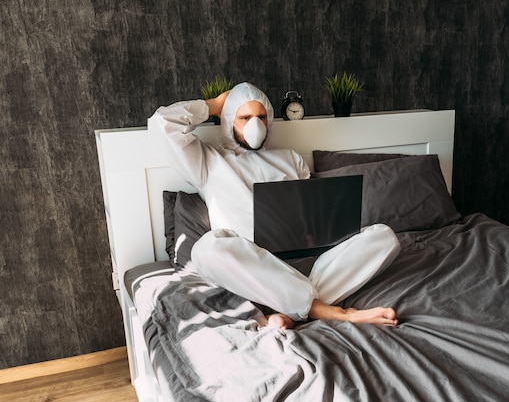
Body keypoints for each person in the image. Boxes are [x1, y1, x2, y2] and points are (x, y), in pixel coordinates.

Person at [148, 82, 401, 329]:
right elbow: (163, 123)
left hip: (299, 258)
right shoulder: (208, 161)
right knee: (206, 249)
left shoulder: (290, 159)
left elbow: (310, 214)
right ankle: (334, 312)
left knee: (385, 237)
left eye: (261, 116)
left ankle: (289, 309)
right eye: (244, 117)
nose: (255, 124)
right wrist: (213, 106)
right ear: (228, 121)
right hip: (247, 264)